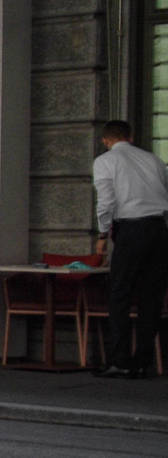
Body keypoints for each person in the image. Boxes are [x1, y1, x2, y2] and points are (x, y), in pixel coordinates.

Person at [93, 120, 168, 378]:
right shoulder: (155, 160)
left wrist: (103, 234)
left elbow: (106, 202)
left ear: (106, 140)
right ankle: (142, 361)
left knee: (121, 294)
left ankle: (118, 360)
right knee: (152, 298)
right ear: (131, 137)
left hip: (130, 230)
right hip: (159, 229)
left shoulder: (105, 162)